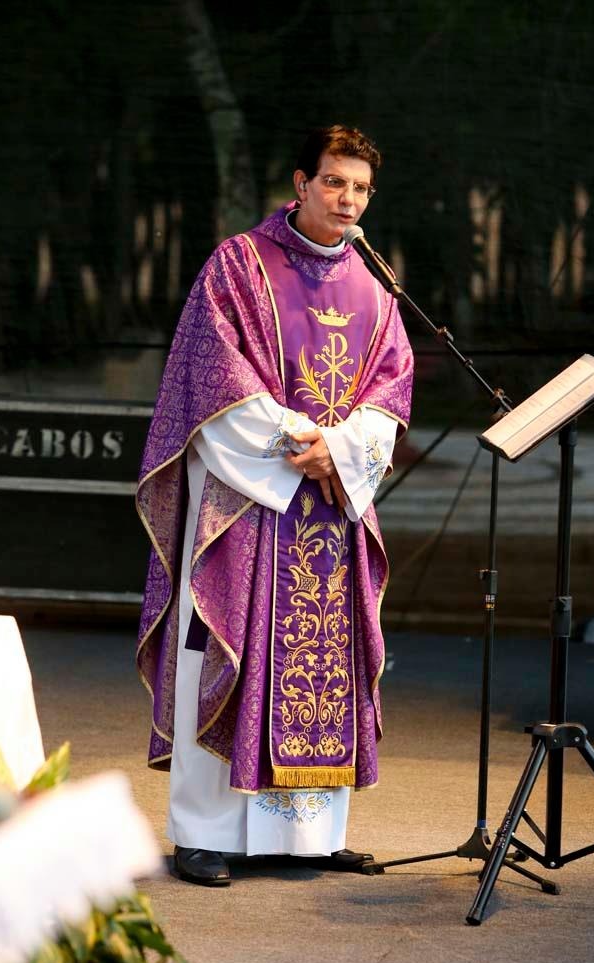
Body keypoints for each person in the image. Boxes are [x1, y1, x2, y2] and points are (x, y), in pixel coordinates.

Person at [136, 125, 414, 886]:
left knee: (330, 662)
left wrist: (347, 449)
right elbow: (210, 374)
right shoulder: (238, 265)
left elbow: (391, 387)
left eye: (359, 188)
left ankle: (308, 838)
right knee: (221, 647)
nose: (346, 199)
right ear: (299, 182)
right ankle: (202, 833)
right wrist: (307, 446)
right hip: (246, 503)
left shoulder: (374, 285)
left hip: (330, 508)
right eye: (333, 182)